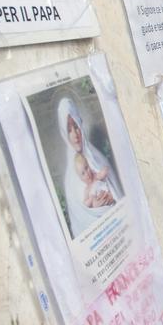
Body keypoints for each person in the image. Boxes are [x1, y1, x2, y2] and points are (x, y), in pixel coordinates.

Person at [57, 97, 122, 237]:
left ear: (80, 124)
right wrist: (95, 209)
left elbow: (117, 192)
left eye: (76, 126)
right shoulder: (70, 179)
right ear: (64, 133)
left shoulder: (97, 157)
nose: (75, 135)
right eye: (69, 130)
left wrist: (111, 197)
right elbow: (80, 221)